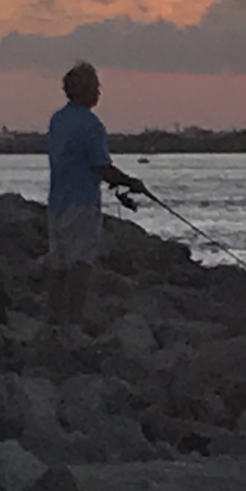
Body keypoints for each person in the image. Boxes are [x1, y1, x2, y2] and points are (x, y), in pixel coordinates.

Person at [46, 62, 147, 325]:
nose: (99, 92)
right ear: (87, 90)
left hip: (57, 203)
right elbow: (102, 166)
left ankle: (54, 321)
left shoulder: (58, 120)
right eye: (96, 87)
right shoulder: (92, 125)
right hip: (82, 203)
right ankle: (73, 322)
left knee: (59, 265)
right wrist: (133, 183)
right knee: (81, 264)